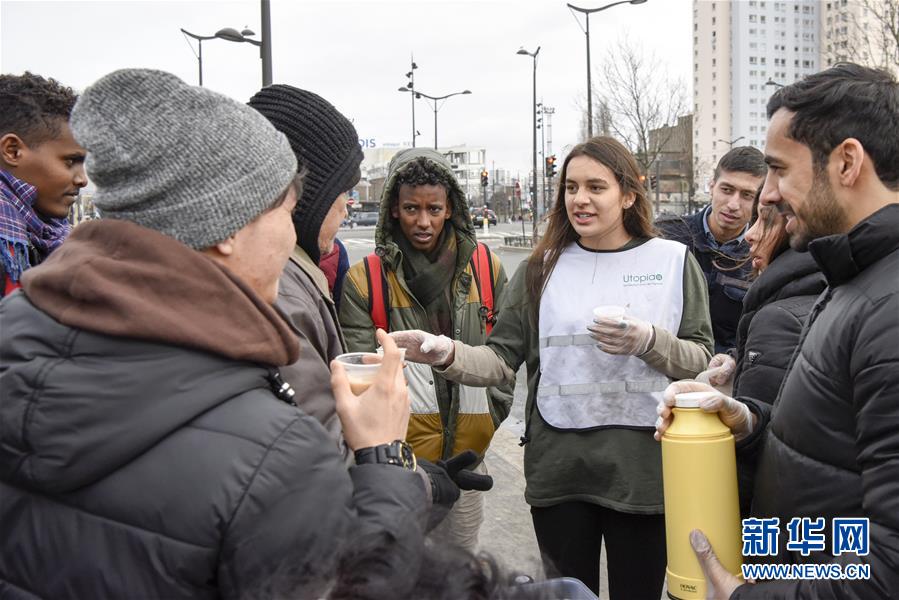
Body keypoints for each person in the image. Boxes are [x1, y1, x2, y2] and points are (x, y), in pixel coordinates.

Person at [0, 68, 456, 599]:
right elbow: (361, 585)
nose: (291, 234)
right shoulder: (275, 454)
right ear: (228, 229)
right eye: (286, 211)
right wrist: (385, 457)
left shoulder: (14, 328)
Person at [391, 137, 715, 599]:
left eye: (596, 187)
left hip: (645, 475)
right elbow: (501, 360)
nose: (580, 199)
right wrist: (444, 352)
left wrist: (649, 342)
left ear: (628, 195)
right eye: (571, 187)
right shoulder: (541, 268)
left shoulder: (672, 263)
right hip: (561, 473)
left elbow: (700, 361)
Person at [657, 63, 899, 599]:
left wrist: (748, 597)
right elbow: (831, 451)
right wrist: (747, 420)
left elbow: (888, 566)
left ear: (847, 162)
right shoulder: (851, 274)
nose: (766, 195)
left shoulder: (889, 305)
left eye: (779, 170)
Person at [340, 148, 512, 553]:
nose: (423, 221)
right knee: (397, 572)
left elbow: (506, 361)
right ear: (393, 211)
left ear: (450, 207)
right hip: (398, 470)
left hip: (465, 464)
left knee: (459, 572)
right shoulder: (364, 281)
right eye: (411, 208)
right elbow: (359, 386)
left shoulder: (488, 270)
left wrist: (488, 420)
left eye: (434, 208)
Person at [248, 85, 363, 456]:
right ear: (305, 197)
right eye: (342, 192)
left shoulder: (295, 271)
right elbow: (321, 451)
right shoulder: (280, 289)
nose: (347, 208)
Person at [657, 146, 766, 353]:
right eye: (727, 190)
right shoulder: (667, 235)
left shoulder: (762, 254)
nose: (733, 204)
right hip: (666, 363)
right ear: (712, 186)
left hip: (724, 374)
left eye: (747, 195)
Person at [0, 72, 86, 297]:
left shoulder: (45, 233)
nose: (82, 179)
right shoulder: (7, 245)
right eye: (70, 161)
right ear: (12, 150)